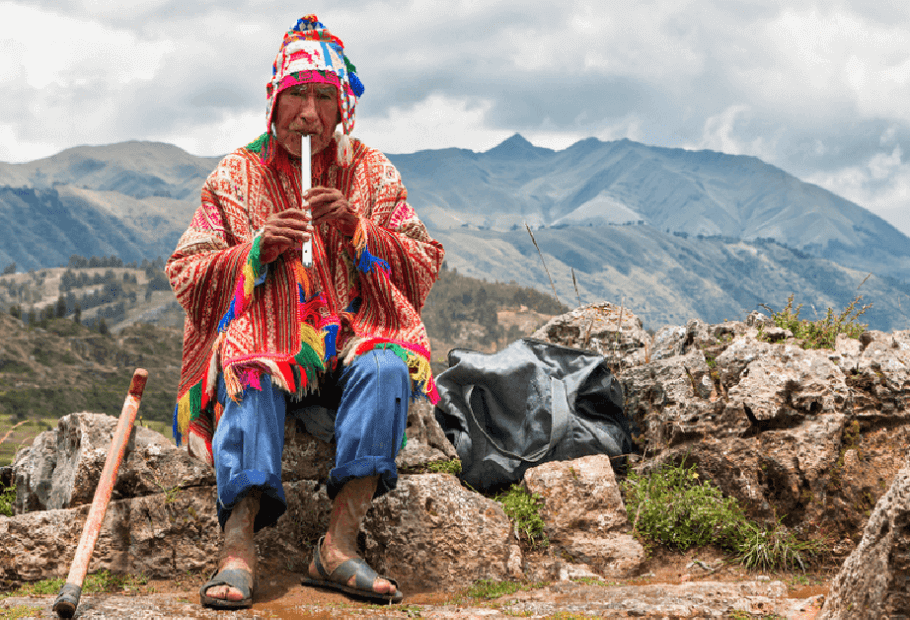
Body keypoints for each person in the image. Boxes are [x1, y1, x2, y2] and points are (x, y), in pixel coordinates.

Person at [166, 15, 444, 609]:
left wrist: (359, 230)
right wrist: (256, 251)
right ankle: (237, 547)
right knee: (251, 362)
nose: (311, 114)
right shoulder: (237, 175)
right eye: (297, 95)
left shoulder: (370, 171)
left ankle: (339, 544)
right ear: (274, 101)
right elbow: (187, 271)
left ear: (344, 106)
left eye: (324, 97)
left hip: (347, 343)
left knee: (388, 365)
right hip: (271, 342)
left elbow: (423, 261)